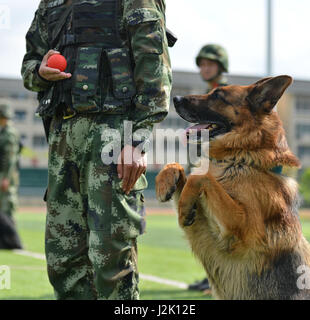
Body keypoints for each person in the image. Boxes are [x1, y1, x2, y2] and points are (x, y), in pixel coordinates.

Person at [21, 0, 172, 300]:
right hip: (63, 141)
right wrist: (40, 71)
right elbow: (29, 65)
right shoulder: (52, 3)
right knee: (64, 263)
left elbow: (153, 66)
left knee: (111, 262)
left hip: (113, 139)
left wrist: (137, 140)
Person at [187, 44, 229, 292]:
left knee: (221, 228)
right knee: (208, 227)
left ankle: (221, 279)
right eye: (202, 64)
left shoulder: (225, 94)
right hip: (207, 168)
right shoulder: (209, 92)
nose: (205, 68)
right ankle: (213, 277)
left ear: (220, 66)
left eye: (210, 64)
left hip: (221, 171)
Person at [0, 101, 23, 249]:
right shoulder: (3, 131)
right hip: (3, 175)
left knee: (8, 206)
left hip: (6, 176)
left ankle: (12, 240)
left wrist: (6, 178)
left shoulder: (9, 133)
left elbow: (10, 158)